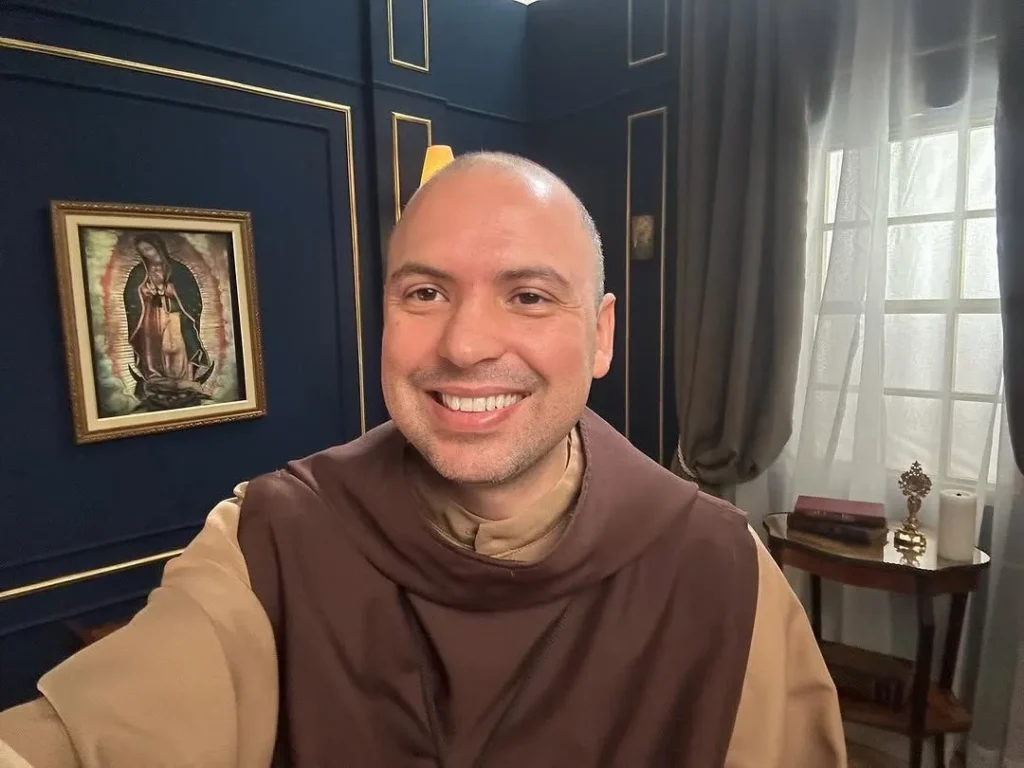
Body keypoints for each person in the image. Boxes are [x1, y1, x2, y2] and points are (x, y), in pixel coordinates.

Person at [0, 153, 846, 767]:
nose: (465, 344)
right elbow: (82, 739)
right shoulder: (270, 538)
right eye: (426, 292)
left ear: (601, 335)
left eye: (528, 296)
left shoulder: (720, 570)